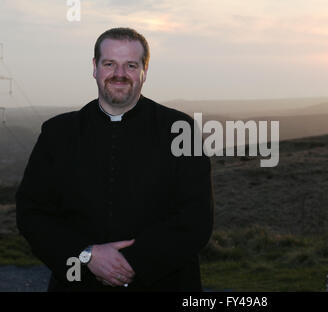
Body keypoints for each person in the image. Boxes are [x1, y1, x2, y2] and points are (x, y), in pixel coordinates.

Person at [15, 27, 214, 292]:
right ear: (95, 67)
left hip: (163, 283)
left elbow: (196, 217)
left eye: (130, 65)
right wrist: (86, 254)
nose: (119, 74)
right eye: (110, 64)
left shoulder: (180, 129)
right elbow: (32, 213)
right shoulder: (57, 133)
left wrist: (132, 263)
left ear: (145, 71)